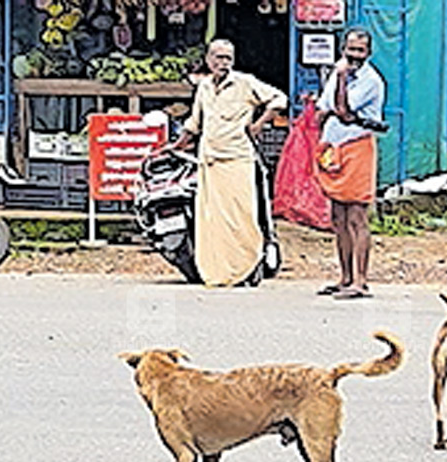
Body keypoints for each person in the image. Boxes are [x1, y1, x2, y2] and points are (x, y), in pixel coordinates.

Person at [161, 39, 287, 287]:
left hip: (237, 159)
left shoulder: (245, 83)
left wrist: (259, 124)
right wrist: (175, 146)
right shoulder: (204, 87)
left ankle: (247, 268)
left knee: (242, 218)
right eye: (218, 57)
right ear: (208, 60)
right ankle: (217, 272)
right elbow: (194, 124)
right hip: (210, 161)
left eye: (228, 58)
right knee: (212, 222)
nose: (223, 63)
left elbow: (279, 100)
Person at [314, 27, 386, 300]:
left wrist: (342, 78)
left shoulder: (371, 81)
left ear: (368, 53)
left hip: (357, 146)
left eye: (360, 50)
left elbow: (343, 112)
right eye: (350, 49)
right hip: (334, 146)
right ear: (343, 48)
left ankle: (361, 281)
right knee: (337, 215)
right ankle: (344, 278)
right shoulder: (336, 74)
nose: (354, 55)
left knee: (356, 215)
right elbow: (323, 107)